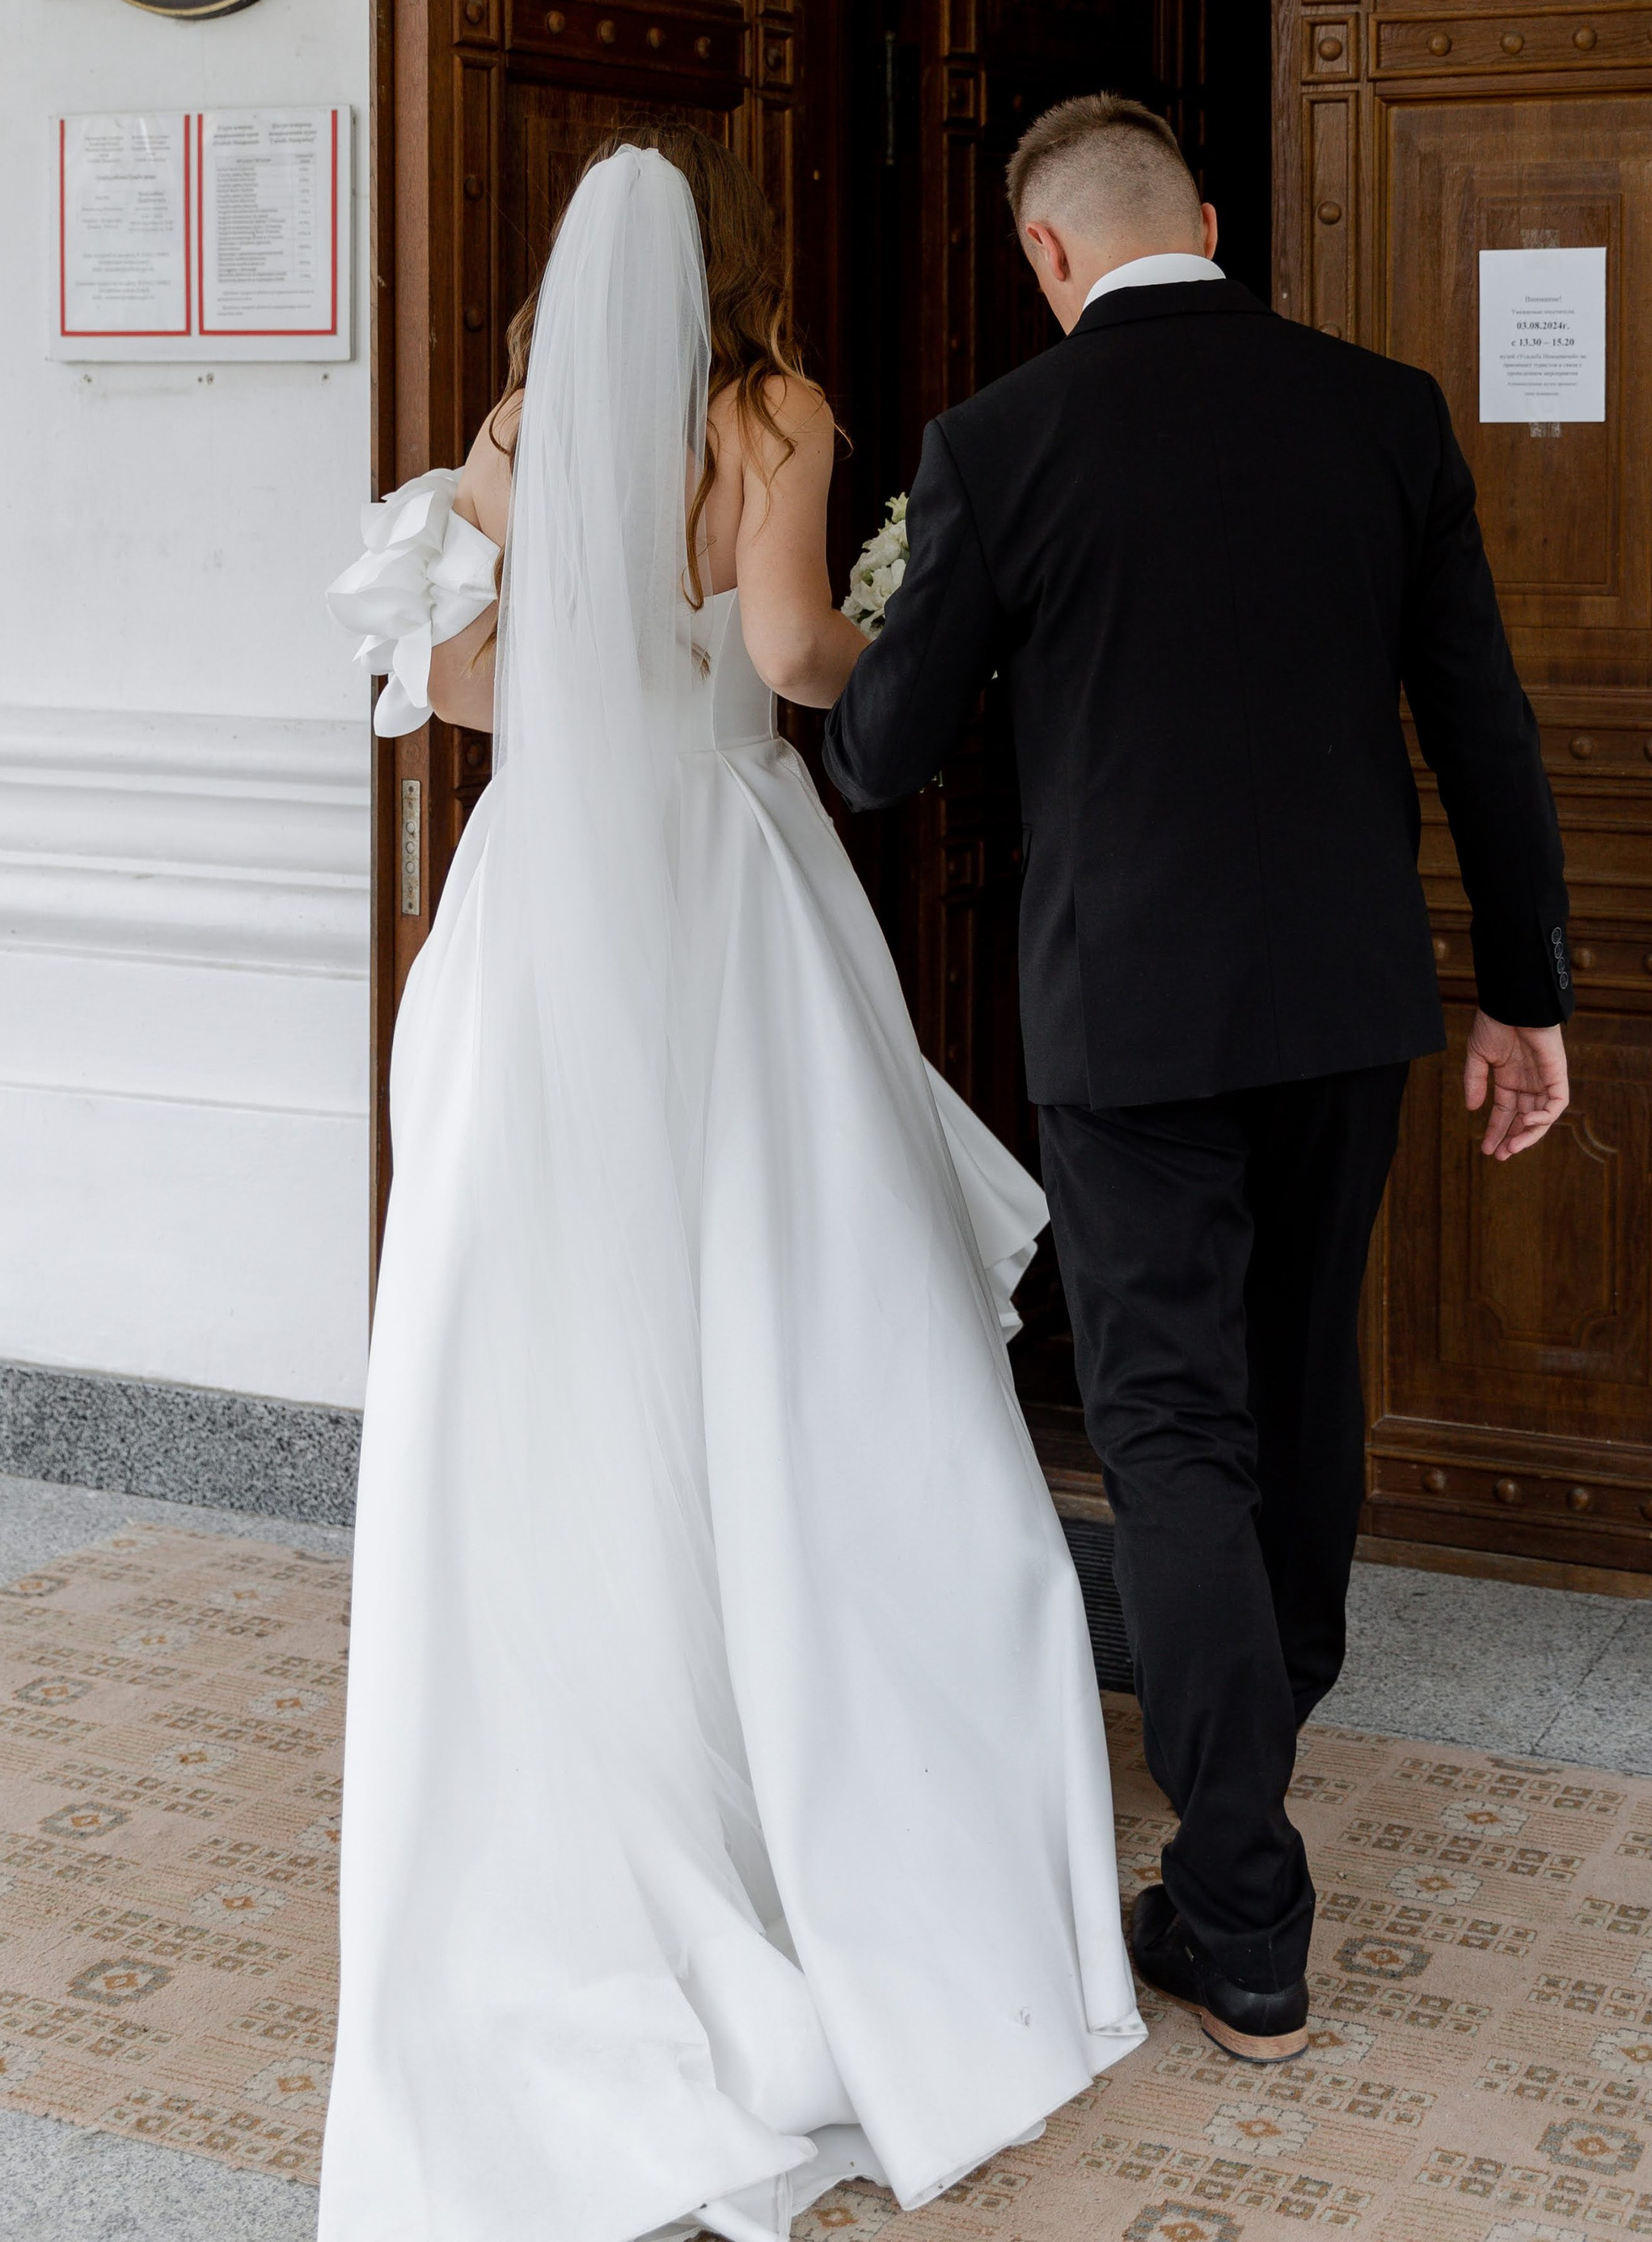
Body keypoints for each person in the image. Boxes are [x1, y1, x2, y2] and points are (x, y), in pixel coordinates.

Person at [318, 125, 1142, 2242]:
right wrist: (905, 658)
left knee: (560, 1341)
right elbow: (783, 655)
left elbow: (476, 681)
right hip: (725, 891)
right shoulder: (773, 413)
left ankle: (588, 1757)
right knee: (798, 1338)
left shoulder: (523, 433)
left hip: (535, 927)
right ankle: (853, 1789)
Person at [825, 92, 1572, 2068]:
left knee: (1167, 1421)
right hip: (1344, 1005)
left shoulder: (1000, 441)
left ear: (1044, 256)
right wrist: (1525, 992)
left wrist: (928, 616)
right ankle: (1269, 1705)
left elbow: (878, 751)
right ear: (1210, 224)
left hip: (1130, 1014)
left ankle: (1238, 1905)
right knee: (1293, 1367)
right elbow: (1480, 724)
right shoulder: (1383, 410)